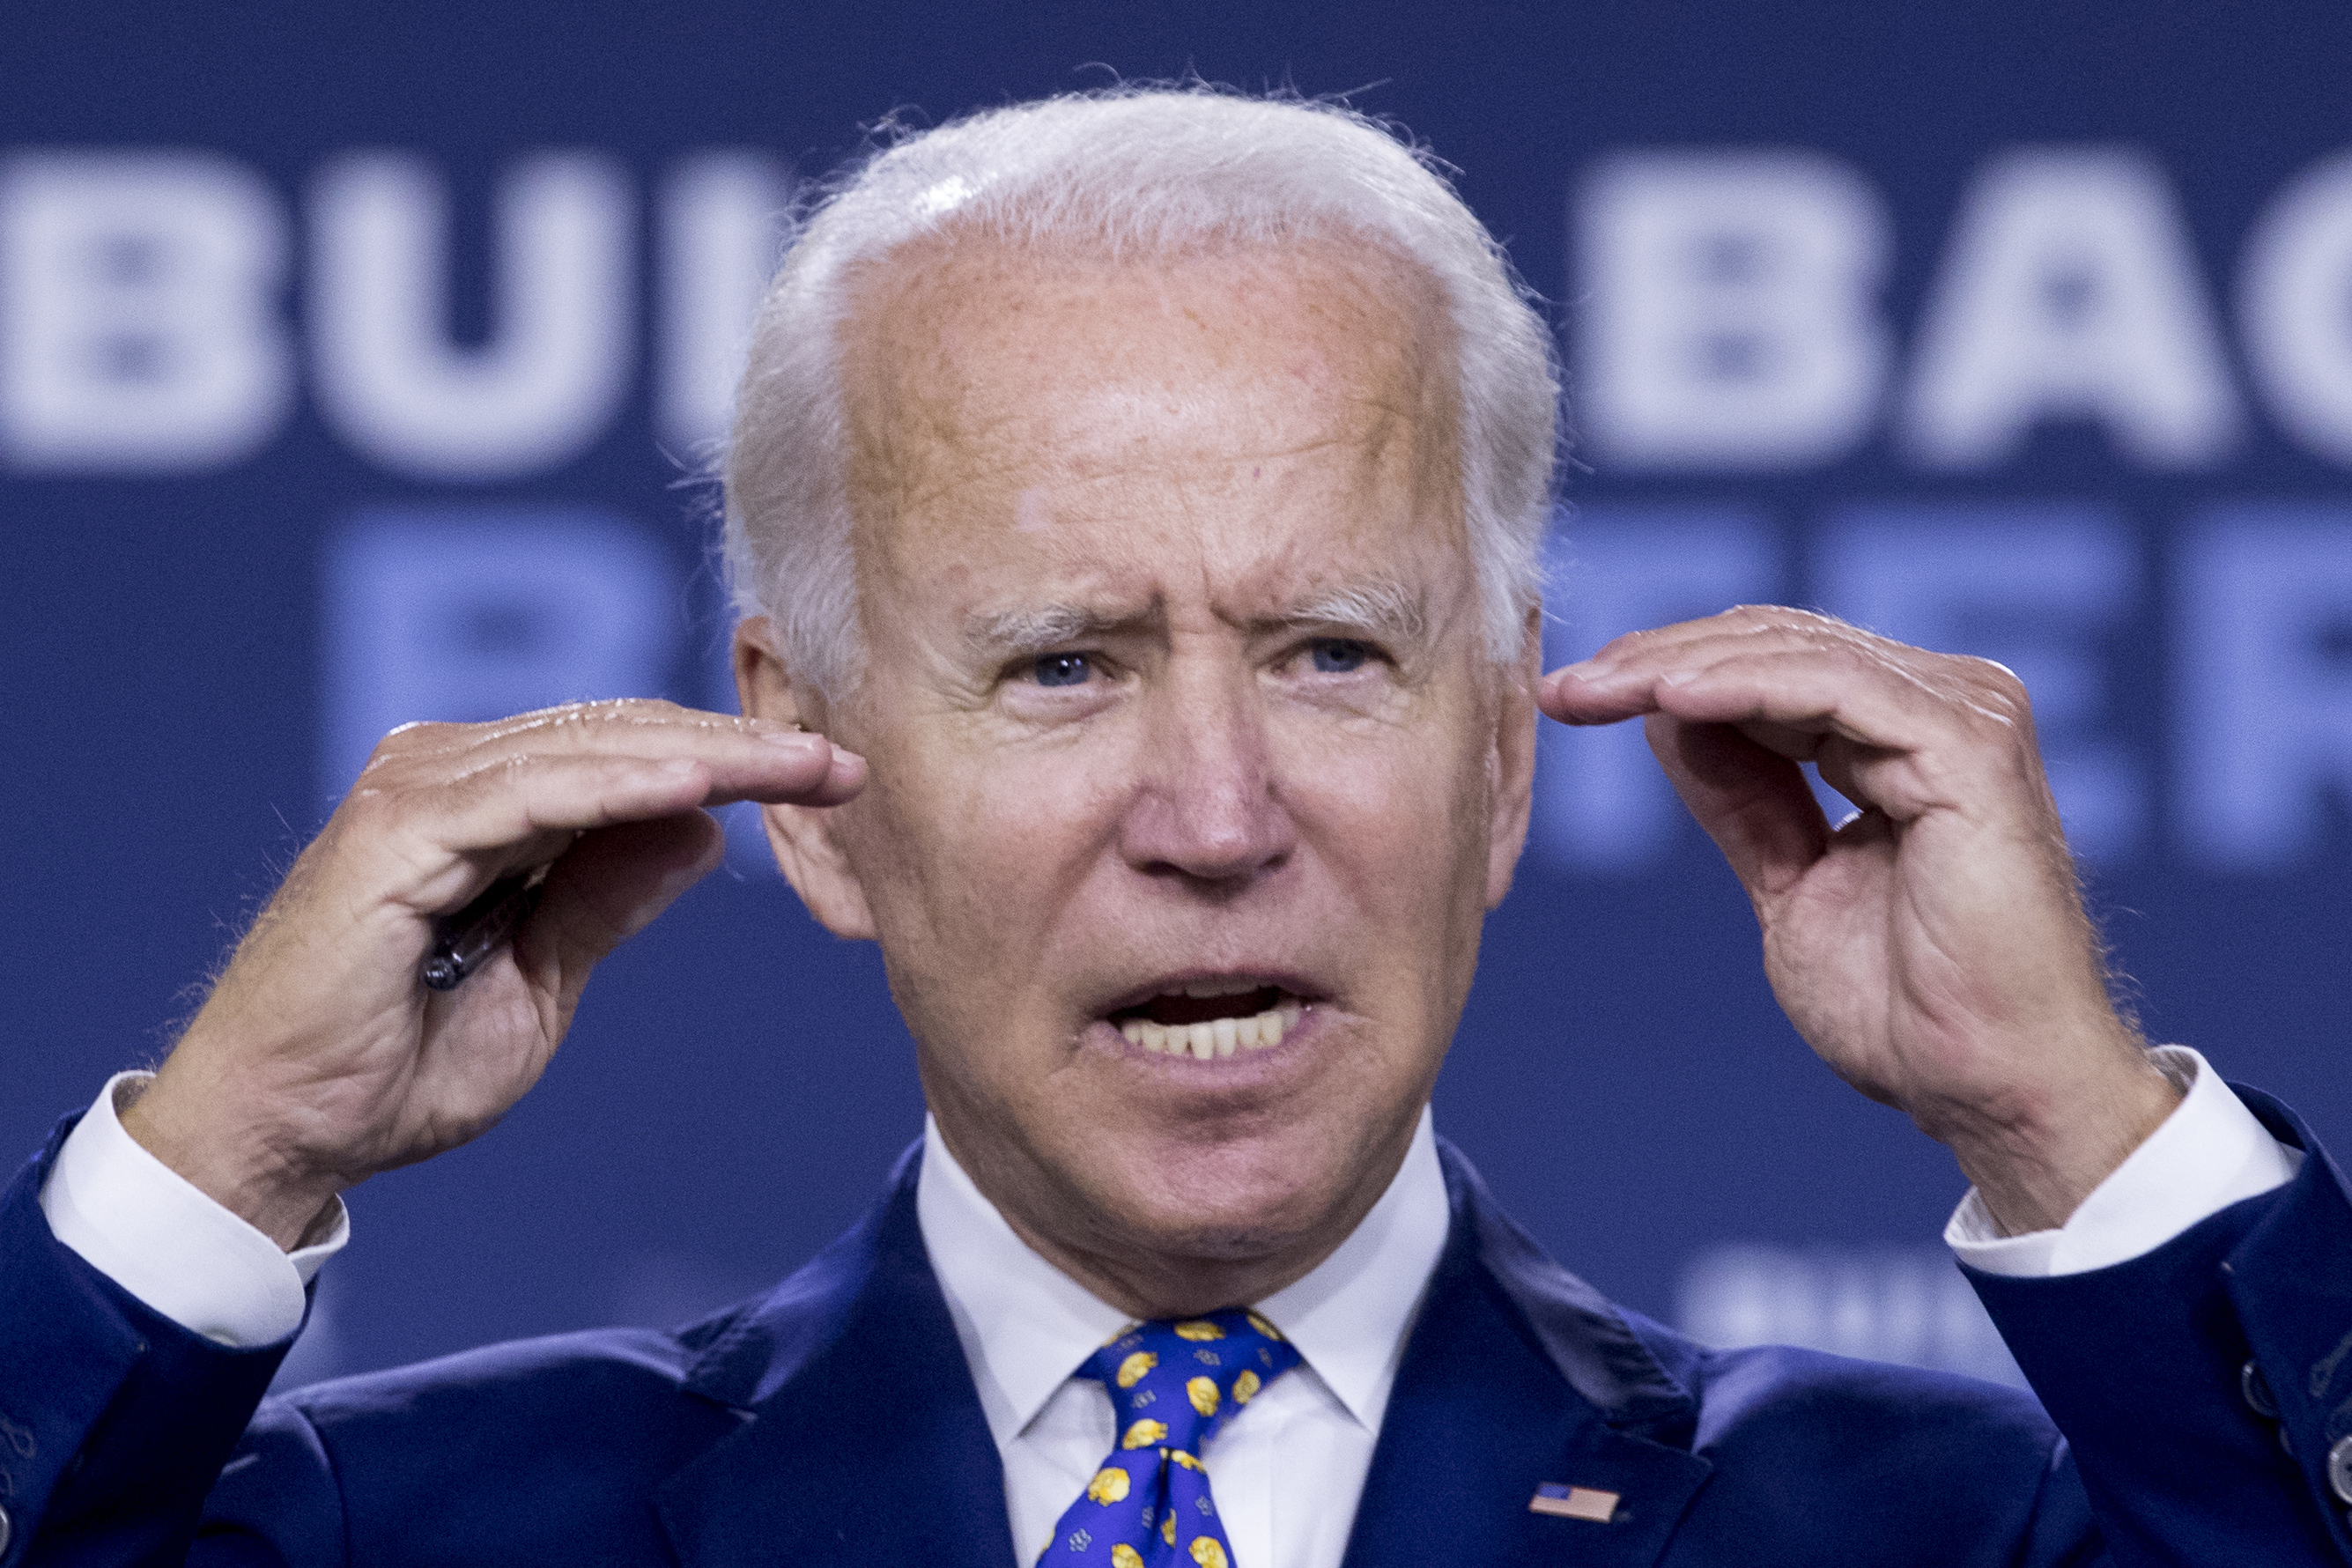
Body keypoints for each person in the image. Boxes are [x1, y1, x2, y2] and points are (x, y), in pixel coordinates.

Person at [6, 88, 2347, 1568]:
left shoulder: (1960, 1531)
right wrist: (220, 1163)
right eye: (1062, 665)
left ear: (1505, 753)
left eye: (1334, 650)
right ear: (809, 778)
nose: (1216, 815)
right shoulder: (390, 1528)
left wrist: (2079, 1134)